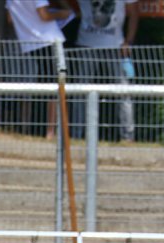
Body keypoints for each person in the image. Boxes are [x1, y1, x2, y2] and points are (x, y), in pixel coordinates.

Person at [5, 0, 75, 139]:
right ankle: (50, 130)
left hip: (30, 43)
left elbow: (10, 19)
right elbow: (44, 15)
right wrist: (63, 13)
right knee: (55, 85)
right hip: (49, 39)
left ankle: (34, 127)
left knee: (41, 83)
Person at [70, 0, 138, 142]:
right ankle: (76, 134)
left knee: (123, 91)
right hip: (86, 44)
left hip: (115, 46)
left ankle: (127, 137)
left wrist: (128, 41)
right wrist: (70, 11)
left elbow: (134, 12)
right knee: (80, 91)